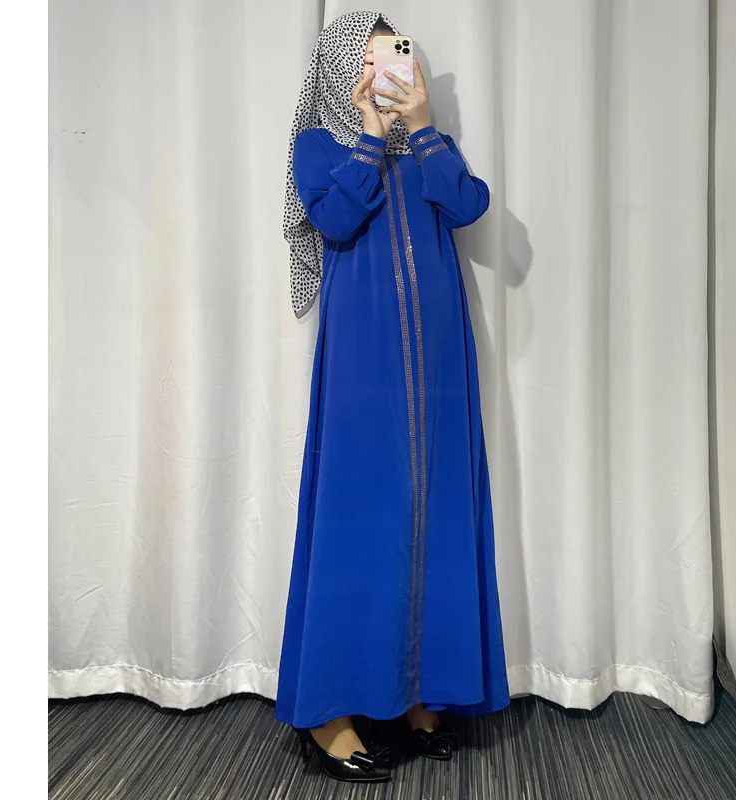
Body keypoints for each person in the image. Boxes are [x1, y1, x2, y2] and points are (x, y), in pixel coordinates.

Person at [276, 10, 510, 784]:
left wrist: (424, 127)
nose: (385, 72)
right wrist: (373, 138)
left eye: (396, 58)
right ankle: (328, 712)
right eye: (371, 60)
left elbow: (467, 206)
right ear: (342, 67)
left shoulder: (428, 146)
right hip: (362, 355)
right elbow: (335, 219)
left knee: (435, 511)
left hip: (440, 357)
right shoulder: (319, 145)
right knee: (358, 513)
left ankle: (419, 694)